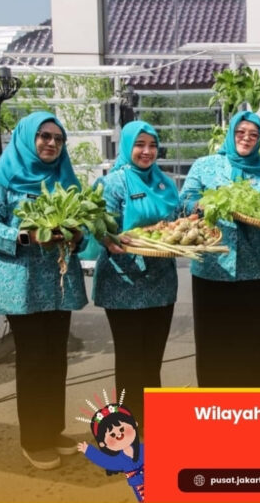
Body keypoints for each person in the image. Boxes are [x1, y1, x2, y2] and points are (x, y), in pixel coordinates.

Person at [0, 111, 87, 470]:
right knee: (34, 359)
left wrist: (78, 235)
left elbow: (82, 224)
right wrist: (26, 236)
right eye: (44, 136)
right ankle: (34, 439)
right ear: (26, 138)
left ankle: (52, 429)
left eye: (58, 138)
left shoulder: (63, 178)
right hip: (22, 284)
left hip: (58, 282)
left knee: (55, 357)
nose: (52, 144)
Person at [179, 110, 260, 387]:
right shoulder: (205, 165)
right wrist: (202, 205)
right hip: (211, 266)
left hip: (254, 269)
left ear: (259, 139)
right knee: (213, 339)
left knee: (252, 341)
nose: (246, 138)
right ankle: (215, 404)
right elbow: (184, 201)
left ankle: (252, 404)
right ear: (231, 134)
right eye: (240, 132)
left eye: (253, 134)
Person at [92, 121, 179, 428]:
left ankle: (151, 421)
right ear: (127, 146)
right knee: (130, 357)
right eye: (140, 144)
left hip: (161, 281)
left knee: (153, 357)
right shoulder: (113, 183)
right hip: (123, 282)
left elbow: (176, 222)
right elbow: (99, 226)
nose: (147, 151)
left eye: (152, 145)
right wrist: (108, 239)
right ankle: (127, 424)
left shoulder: (165, 183)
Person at [77, 389, 144, 501]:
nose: (118, 434)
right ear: (103, 444)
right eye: (112, 434)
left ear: (134, 425)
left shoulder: (143, 449)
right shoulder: (120, 459)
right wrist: (89, 451)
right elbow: (106, 461)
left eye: (122, 429)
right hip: (141, 489)